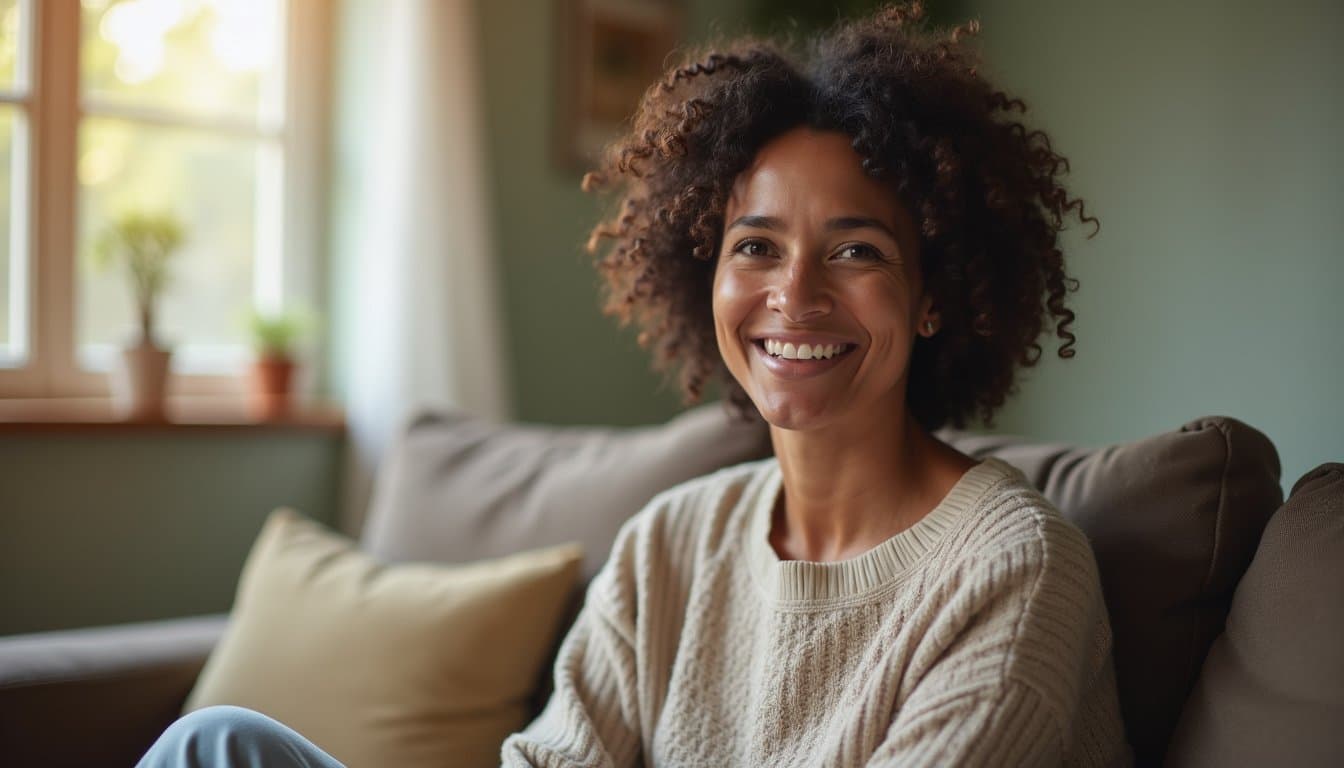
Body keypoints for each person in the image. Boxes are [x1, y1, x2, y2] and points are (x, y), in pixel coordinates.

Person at [138, 3, 1128, 766]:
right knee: (217, 744)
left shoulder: (1014, 565)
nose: (795, 295)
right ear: (706, 277)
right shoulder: (671, 543)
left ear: (934, 295)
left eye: (857, 249)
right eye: (756, 246)